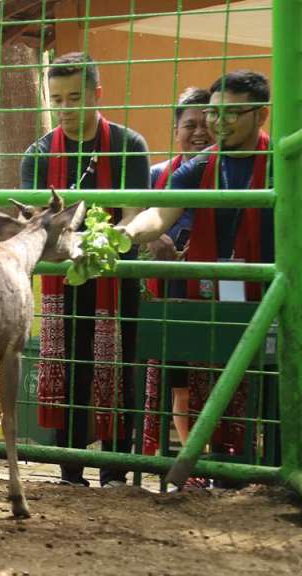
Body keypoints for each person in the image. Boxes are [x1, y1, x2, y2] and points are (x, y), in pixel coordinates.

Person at [122, 70, 272, 484]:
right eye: (213, 112)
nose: (218, 123)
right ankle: (222, 475)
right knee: (209, 386)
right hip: (214, 300)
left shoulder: (281, 162)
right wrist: (128, 233)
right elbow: (159, 212)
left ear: (261, 116)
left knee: (274, 397)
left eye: (232, 113)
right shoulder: (202, 166)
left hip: (272, 296)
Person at [21, 52, 149, 487]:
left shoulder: (129, 145)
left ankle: (115, 469)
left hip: (116, 271)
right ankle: (69, 470)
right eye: (56, 98)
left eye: (75, 97)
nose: (66, 108)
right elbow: (37, 219)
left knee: (120, 366)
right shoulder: (38, 153)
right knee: (67, 365)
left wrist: (110, 239)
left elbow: (133, 213)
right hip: (63, 276)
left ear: (97, 93)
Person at [138, 88, 214, 469]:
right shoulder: (156, 176)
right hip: (167, 290)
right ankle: (193, 460)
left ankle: (218, 458)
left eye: (206, 123)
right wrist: (154, 241)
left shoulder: (225, 173)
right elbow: (137, 223)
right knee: (177, 383)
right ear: (175, 129)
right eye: (190, 125)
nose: (199, 132)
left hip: (216, 290)